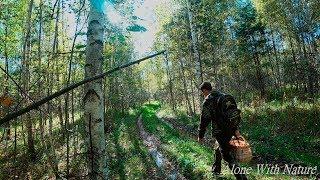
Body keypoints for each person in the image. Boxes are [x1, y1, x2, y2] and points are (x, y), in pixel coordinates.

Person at [198, 81, 248, 180]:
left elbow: (204, 120)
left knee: (226, 155)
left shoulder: (208, 100)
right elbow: (232, 114)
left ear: (204, 90)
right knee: (218, 147)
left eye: (202, 92)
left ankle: (242, 177)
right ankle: (216, 170)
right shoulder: (224, 96)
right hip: (230, 128)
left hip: (220, 132)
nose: (203, 95)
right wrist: (235, 129)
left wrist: (201, 135)